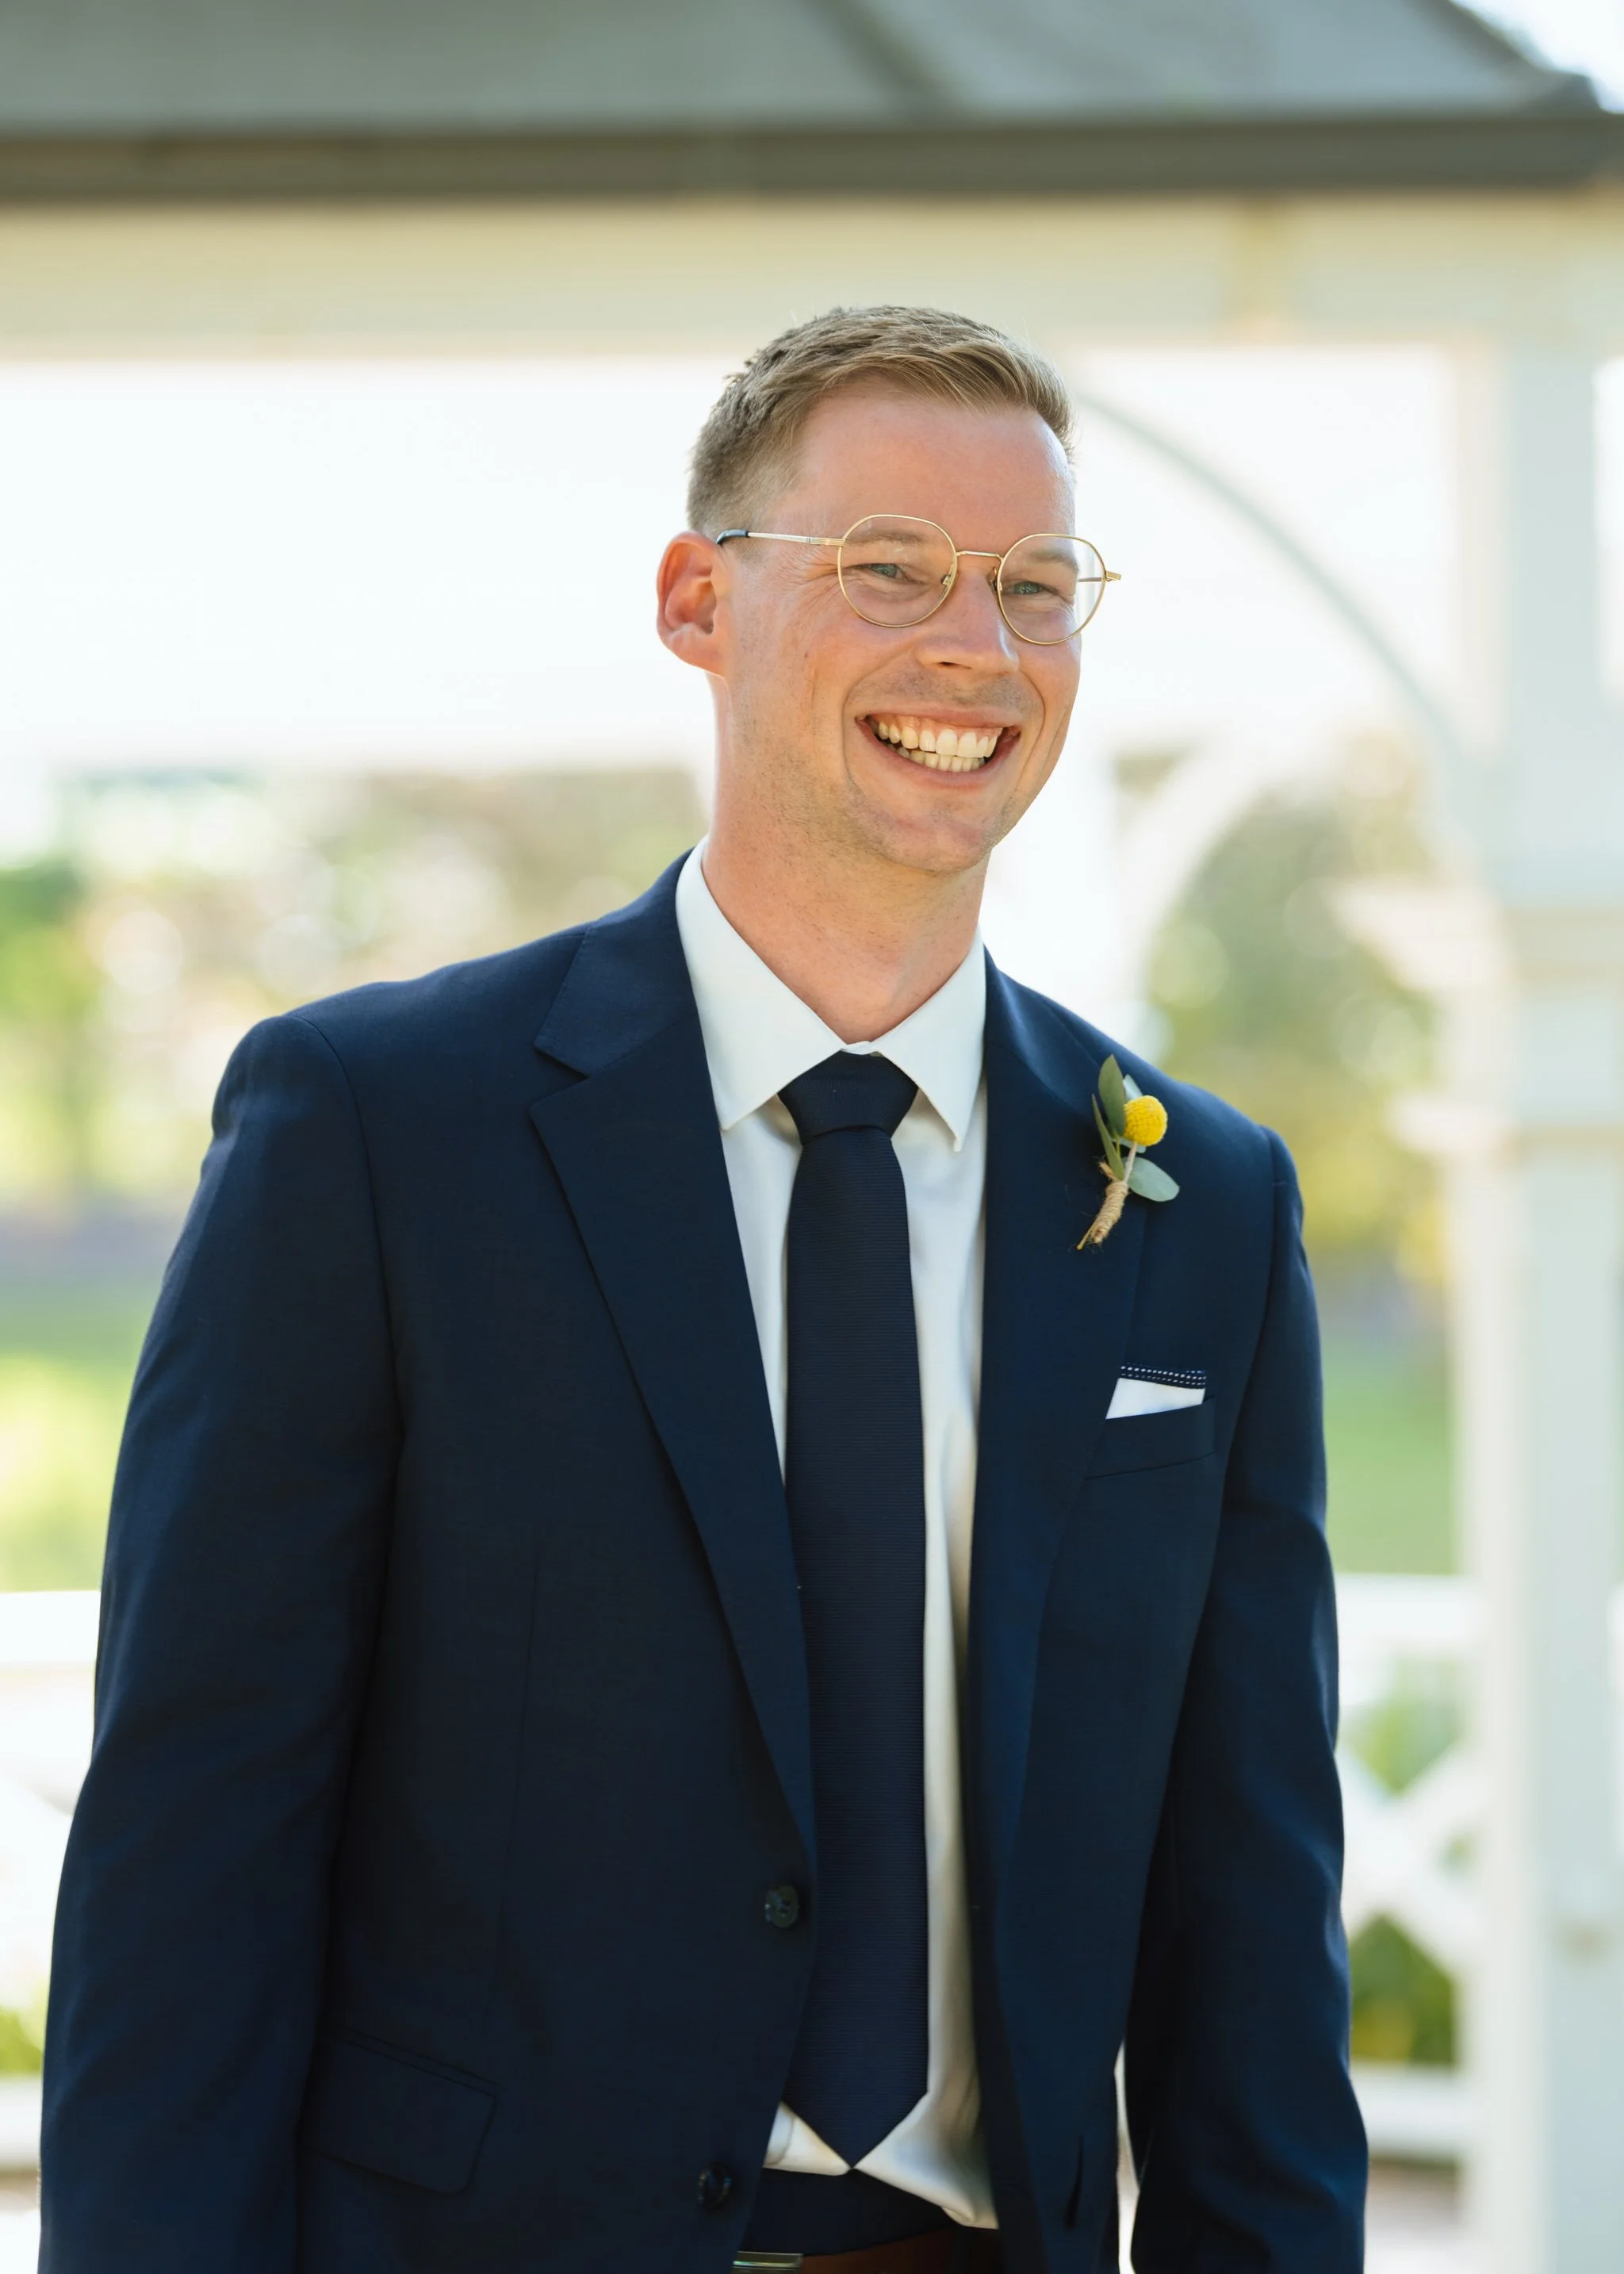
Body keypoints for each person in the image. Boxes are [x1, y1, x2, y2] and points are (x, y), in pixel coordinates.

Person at [40, 305, 1365, 2273]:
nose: (972, 650)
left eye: (1032, 587)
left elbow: (1251, 1921)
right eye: (888, 570)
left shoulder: (1202, 1198)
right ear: (696, 600)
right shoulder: (377, 1131)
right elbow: (193, 1852)